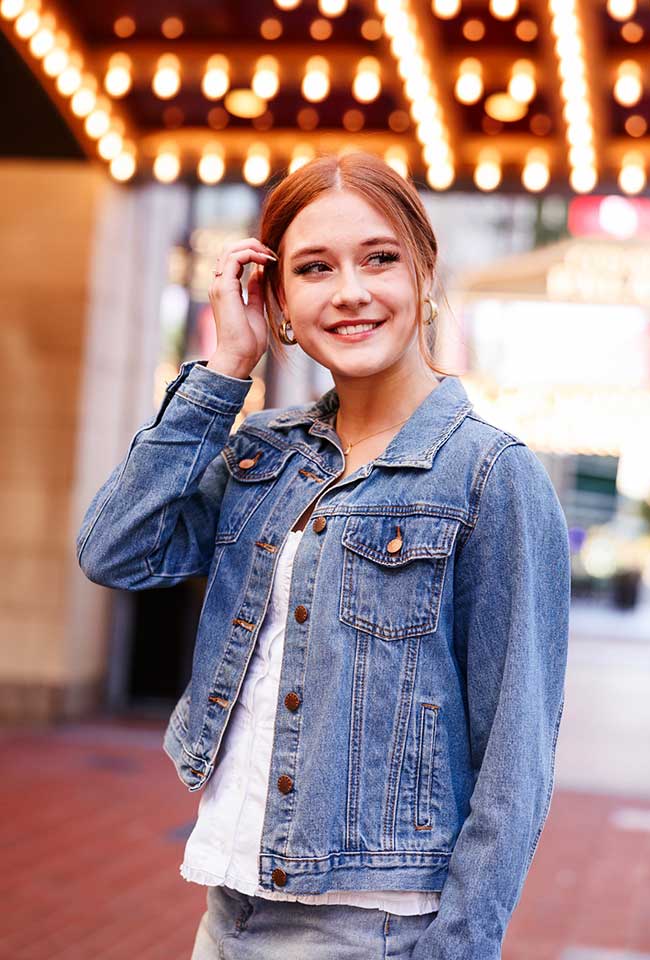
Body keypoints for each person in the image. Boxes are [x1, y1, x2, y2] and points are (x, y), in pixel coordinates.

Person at [76, 151, 570, 960]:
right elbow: (117, 549)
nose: (350, 291)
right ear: (276, 299)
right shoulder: (265, 454)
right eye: (313, 267)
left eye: (380, 258)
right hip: (229, 900)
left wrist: (459, 949)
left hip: (370, 925)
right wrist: (226, 369)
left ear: (423, 273)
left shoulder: (491, 475)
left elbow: (515, 764)